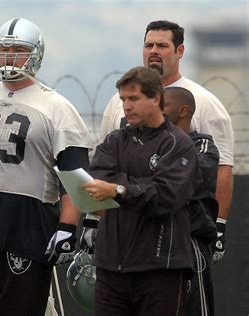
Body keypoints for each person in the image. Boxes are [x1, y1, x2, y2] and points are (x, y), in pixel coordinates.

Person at [0, 17, 92, 315]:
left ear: (35, 54)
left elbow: (74, 177)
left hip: (25, 229)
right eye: (4, 49)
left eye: (18, 50)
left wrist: (67, 228)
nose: (9, 57)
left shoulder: (58, 108)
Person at [98, 20, 234, 264]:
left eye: (162, 45)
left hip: (179, 229)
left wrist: (220, 225)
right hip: (122, 230)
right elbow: (102, 166)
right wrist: (93, 221)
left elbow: (223, 167)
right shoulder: (118, 101)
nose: (153, 51)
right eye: (148, 45)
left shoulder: (204, 101)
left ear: (179, 51)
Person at [84, 66, 199, 314]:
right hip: (111, 267)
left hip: (160, 269)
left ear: (156, 99)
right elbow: (96, 177)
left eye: (133, 98)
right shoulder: (115, 140)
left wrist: (118, 189)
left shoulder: (178, 143)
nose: (126, 106)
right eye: (123, 99)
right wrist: (138, 185)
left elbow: (164, 197)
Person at [163, 86, 219, 316]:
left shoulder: (202, 145)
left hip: (189, 241)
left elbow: (187, 183)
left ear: (183, 110)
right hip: (151, 246)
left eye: (163, 105)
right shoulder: (146, 143)